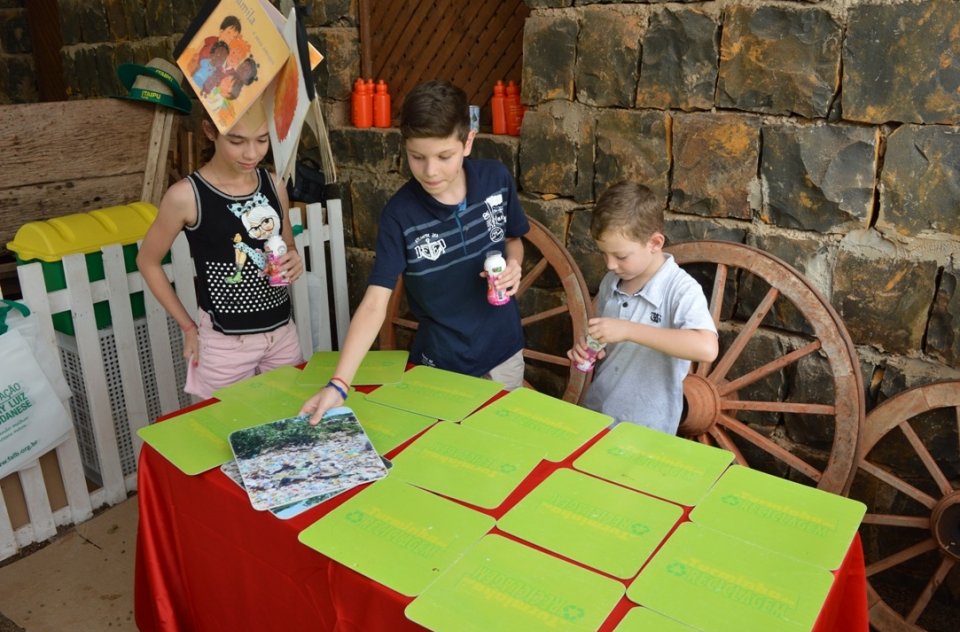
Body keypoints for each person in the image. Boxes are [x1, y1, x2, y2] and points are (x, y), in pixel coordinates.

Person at [300, 79, 529, 424]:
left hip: (504, 350)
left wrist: (514, 265)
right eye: (417, 157)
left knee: (502, 434)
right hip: (441, 364)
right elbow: (375, 303)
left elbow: (513, 240)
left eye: (444, 156)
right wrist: (339, 383)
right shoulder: (400, 215)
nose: (430, 171)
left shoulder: (496, 179)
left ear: (468, 142)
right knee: (446, 443)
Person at [136, 99, 305, 400]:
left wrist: (293, 258)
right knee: (228, 424)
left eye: (262, 140)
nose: (251, 153)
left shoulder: (274, 185)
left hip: (282, 334)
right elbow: (147, 261)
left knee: (292, 416)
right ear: (209, 131)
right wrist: (188, 327)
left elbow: (287, 241)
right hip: (225, 344)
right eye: (237, 141)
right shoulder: (187, 196)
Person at [568, 182, 719, 434]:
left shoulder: (680, 289)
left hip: (649, 428)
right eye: (604, 254)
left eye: (620, 256)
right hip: (598, 414)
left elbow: (706, 347)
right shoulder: (611, 282)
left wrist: (628, 330)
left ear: (655, 243)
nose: (610, 265)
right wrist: (589, 347)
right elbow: (609, 340)